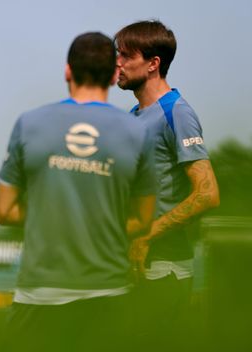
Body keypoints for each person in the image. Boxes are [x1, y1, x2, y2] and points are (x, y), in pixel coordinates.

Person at [0, 32, 156, 352]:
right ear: (113, 75)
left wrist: (49, 217)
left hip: (38, 295)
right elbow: (143, 219)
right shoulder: (139, 131)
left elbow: (5, 211)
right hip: (108, 294)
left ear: (68, 71)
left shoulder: (30, 123)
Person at [115, 20, 220, 351]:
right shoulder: (133, 115)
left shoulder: (177, 112)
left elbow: (207, 194)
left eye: (124, 55)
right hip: (131, 270)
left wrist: (148, 234)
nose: (116, 62)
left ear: (152, 63)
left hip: (165, 270)